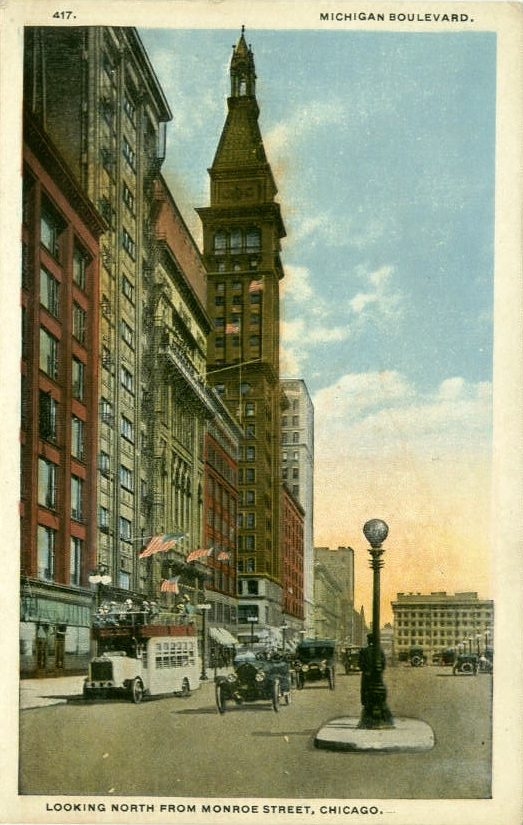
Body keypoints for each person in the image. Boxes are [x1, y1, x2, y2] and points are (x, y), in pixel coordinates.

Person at [358, 634, 386, 708]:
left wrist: (366, 669)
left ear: (368, 641)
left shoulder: (364, 651)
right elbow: (383, 664)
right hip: (377, 676)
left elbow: (360, 664)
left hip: (366, 676)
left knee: (364, 690)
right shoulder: (380, 651)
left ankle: (365, 704)